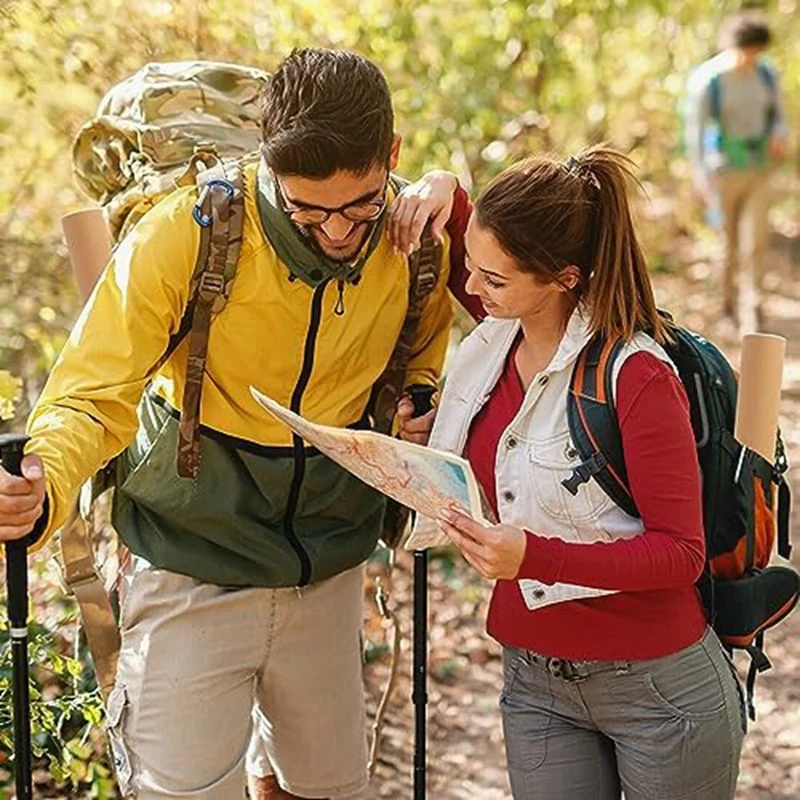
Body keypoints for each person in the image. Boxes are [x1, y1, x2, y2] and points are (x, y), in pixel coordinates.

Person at [0, 48, 459, 800]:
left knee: (327, 788)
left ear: (394, 158)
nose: (339, 231)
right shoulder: (188, 235)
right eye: (310, 209)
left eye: (360, 203)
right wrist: (42, 484)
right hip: (190, 560)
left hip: (328, 564)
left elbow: (429, 344)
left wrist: (420, 397)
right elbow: (92, 392)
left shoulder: (413, 242)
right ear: (268, 162)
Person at [398, 147, 747, 799]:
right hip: (536, 685)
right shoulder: (502, 329)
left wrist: (535, 556)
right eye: (472, 268)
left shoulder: (635, 377)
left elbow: (681, 553)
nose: (471, 289)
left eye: (492, 281)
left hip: (659, 692)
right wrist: (444, 185)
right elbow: (465, 234)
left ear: (564, 277)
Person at [684, 11, 790, 324]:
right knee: (726, 243)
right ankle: (725, 303)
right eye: (748, 51)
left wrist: (780, 135)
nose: (752, 58)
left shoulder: (767, 75)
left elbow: (779, 114)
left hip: (759, 169)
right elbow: (695, 132)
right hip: (723, 172)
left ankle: (753, 301)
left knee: (756, 238)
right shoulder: (709, 82)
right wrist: (699, 176)